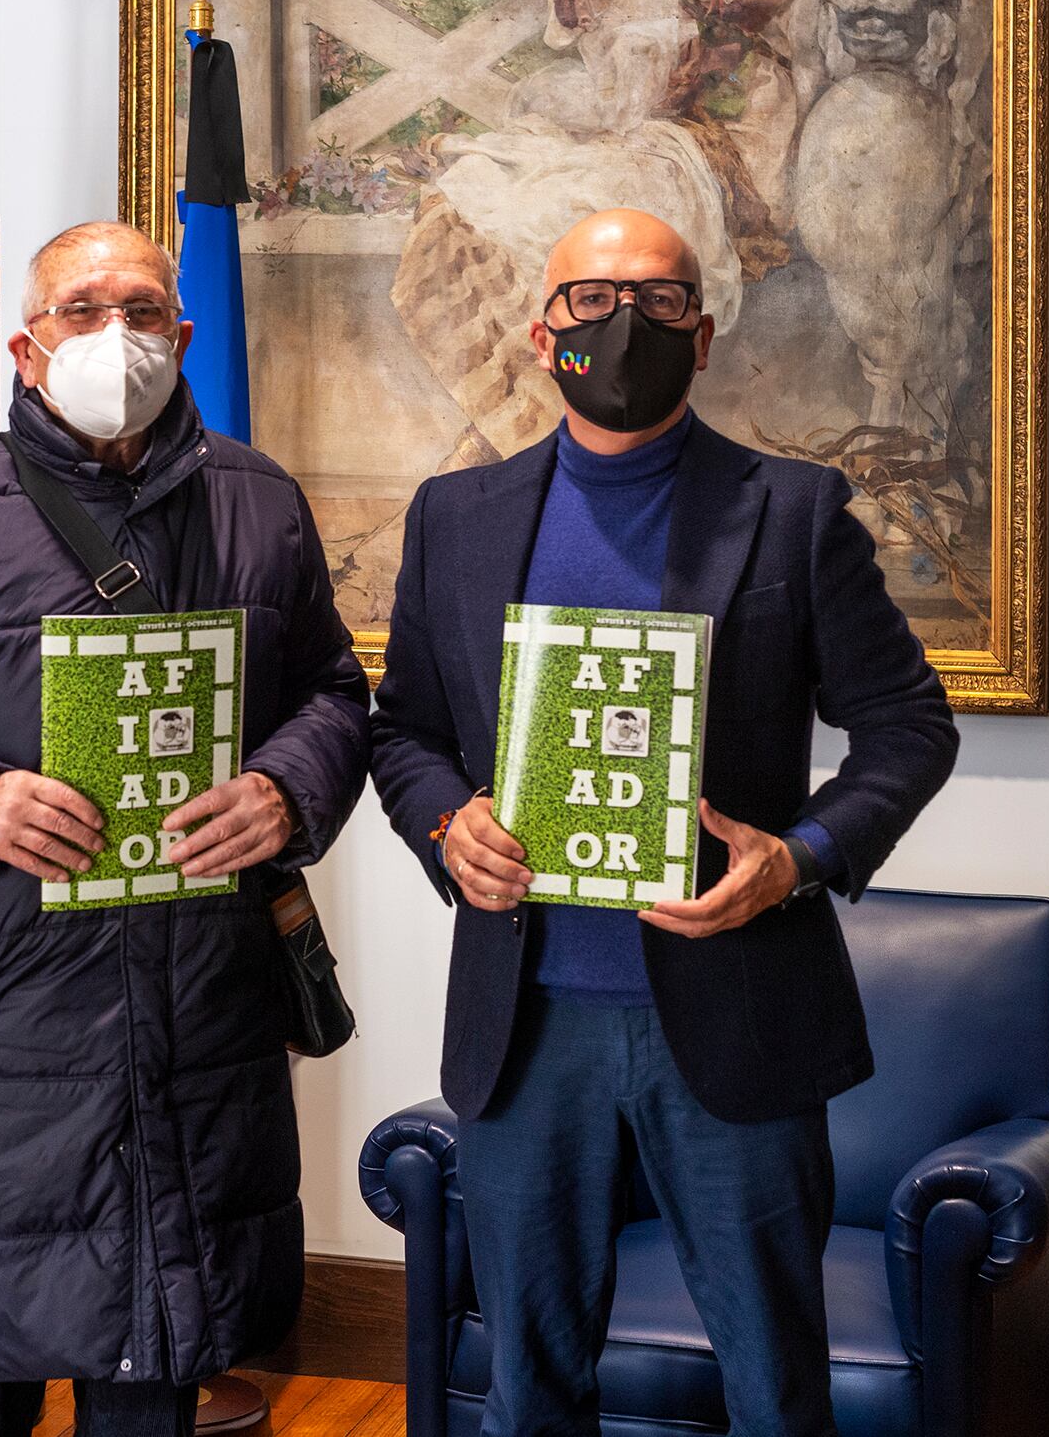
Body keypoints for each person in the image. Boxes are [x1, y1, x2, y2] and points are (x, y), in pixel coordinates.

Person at [0, 221, 371, 1437]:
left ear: (183, 337)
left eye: (141, 310)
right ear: (27, 352)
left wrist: (286, 789)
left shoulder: (259, 502)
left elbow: (332, 695)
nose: (115, 336)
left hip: (199, 1034)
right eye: (81, 311)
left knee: (152, 1390)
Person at [368, 207, 957, 1436]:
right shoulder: (456, 517)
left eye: (659, 298)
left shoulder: (792, 511)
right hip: (525, 1027)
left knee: (773, 1385)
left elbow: (907, 726)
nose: (621, 322)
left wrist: (798, 858)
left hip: (734, 1010)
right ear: (543, 333)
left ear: (702, 334)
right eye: (590, 298)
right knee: (528, 1387)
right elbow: (403, 731)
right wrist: (443, 826)